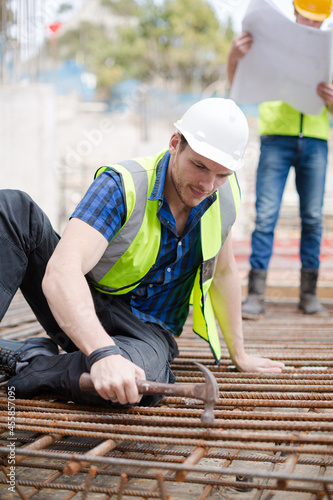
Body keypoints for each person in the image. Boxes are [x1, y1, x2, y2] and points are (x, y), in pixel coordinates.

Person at [0, 98, 284, 408]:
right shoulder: (123, 186)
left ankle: (30, 361)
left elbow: (225, 272)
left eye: (222, 175)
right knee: (12, 208)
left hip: (147, 332)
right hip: (84, 302)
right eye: (199, 166)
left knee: (133, 382)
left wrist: (239, 354)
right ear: (175, 144)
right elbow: (62, 270)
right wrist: (103, 352)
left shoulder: (222, 198)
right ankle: (97, 356)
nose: (207, 184)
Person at [227, 0, 333, 320]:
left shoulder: (327, 52)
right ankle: (256, 295)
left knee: (312, 218)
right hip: (275, 141)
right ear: (295, 12)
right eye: (306, 18)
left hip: (315, 142)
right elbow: (237, 85)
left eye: (318, 21)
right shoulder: (268, 44)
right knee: (266, 216)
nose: (311, 25)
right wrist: (234, 56)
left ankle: (308, 294)